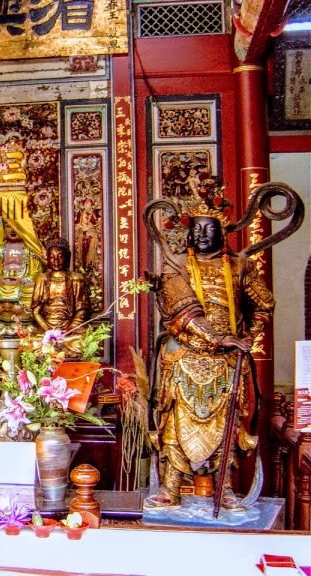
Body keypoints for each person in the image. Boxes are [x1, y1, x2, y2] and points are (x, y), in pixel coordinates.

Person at [145, 178, 272, 510]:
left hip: (227, 360)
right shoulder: (177, 265)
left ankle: (224, 487)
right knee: (175, 420)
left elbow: (263, 306)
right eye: (197, 229)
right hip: (185, 354)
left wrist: (249, 333)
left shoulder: (239, 266)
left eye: (209, 229)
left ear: (222, 232)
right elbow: (179, 310)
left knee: (227, 422)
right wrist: (215, 337)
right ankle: (170, 486)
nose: (201, 235)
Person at [30, 238, 91, 356]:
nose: (56, 261)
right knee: (31, 342)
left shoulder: (76, 278)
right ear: (47, 258)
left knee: (83, 341)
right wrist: (48, 330)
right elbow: (36, 311)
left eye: (60, 256)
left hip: (69, 328)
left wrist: (70, 329)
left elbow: (82, 309)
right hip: (46, 327)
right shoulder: (42, 279)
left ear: (67, 257)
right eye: (52, 257)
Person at [0, 219, 43, 320]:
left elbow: (36, 271)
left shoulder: (30, 250)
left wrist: (24, 280)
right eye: (8, 226)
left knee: (34, 290)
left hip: (25, 284)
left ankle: (24, 313)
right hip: (3, 284)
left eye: (16, 226)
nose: (12, 230)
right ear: (3, 229)